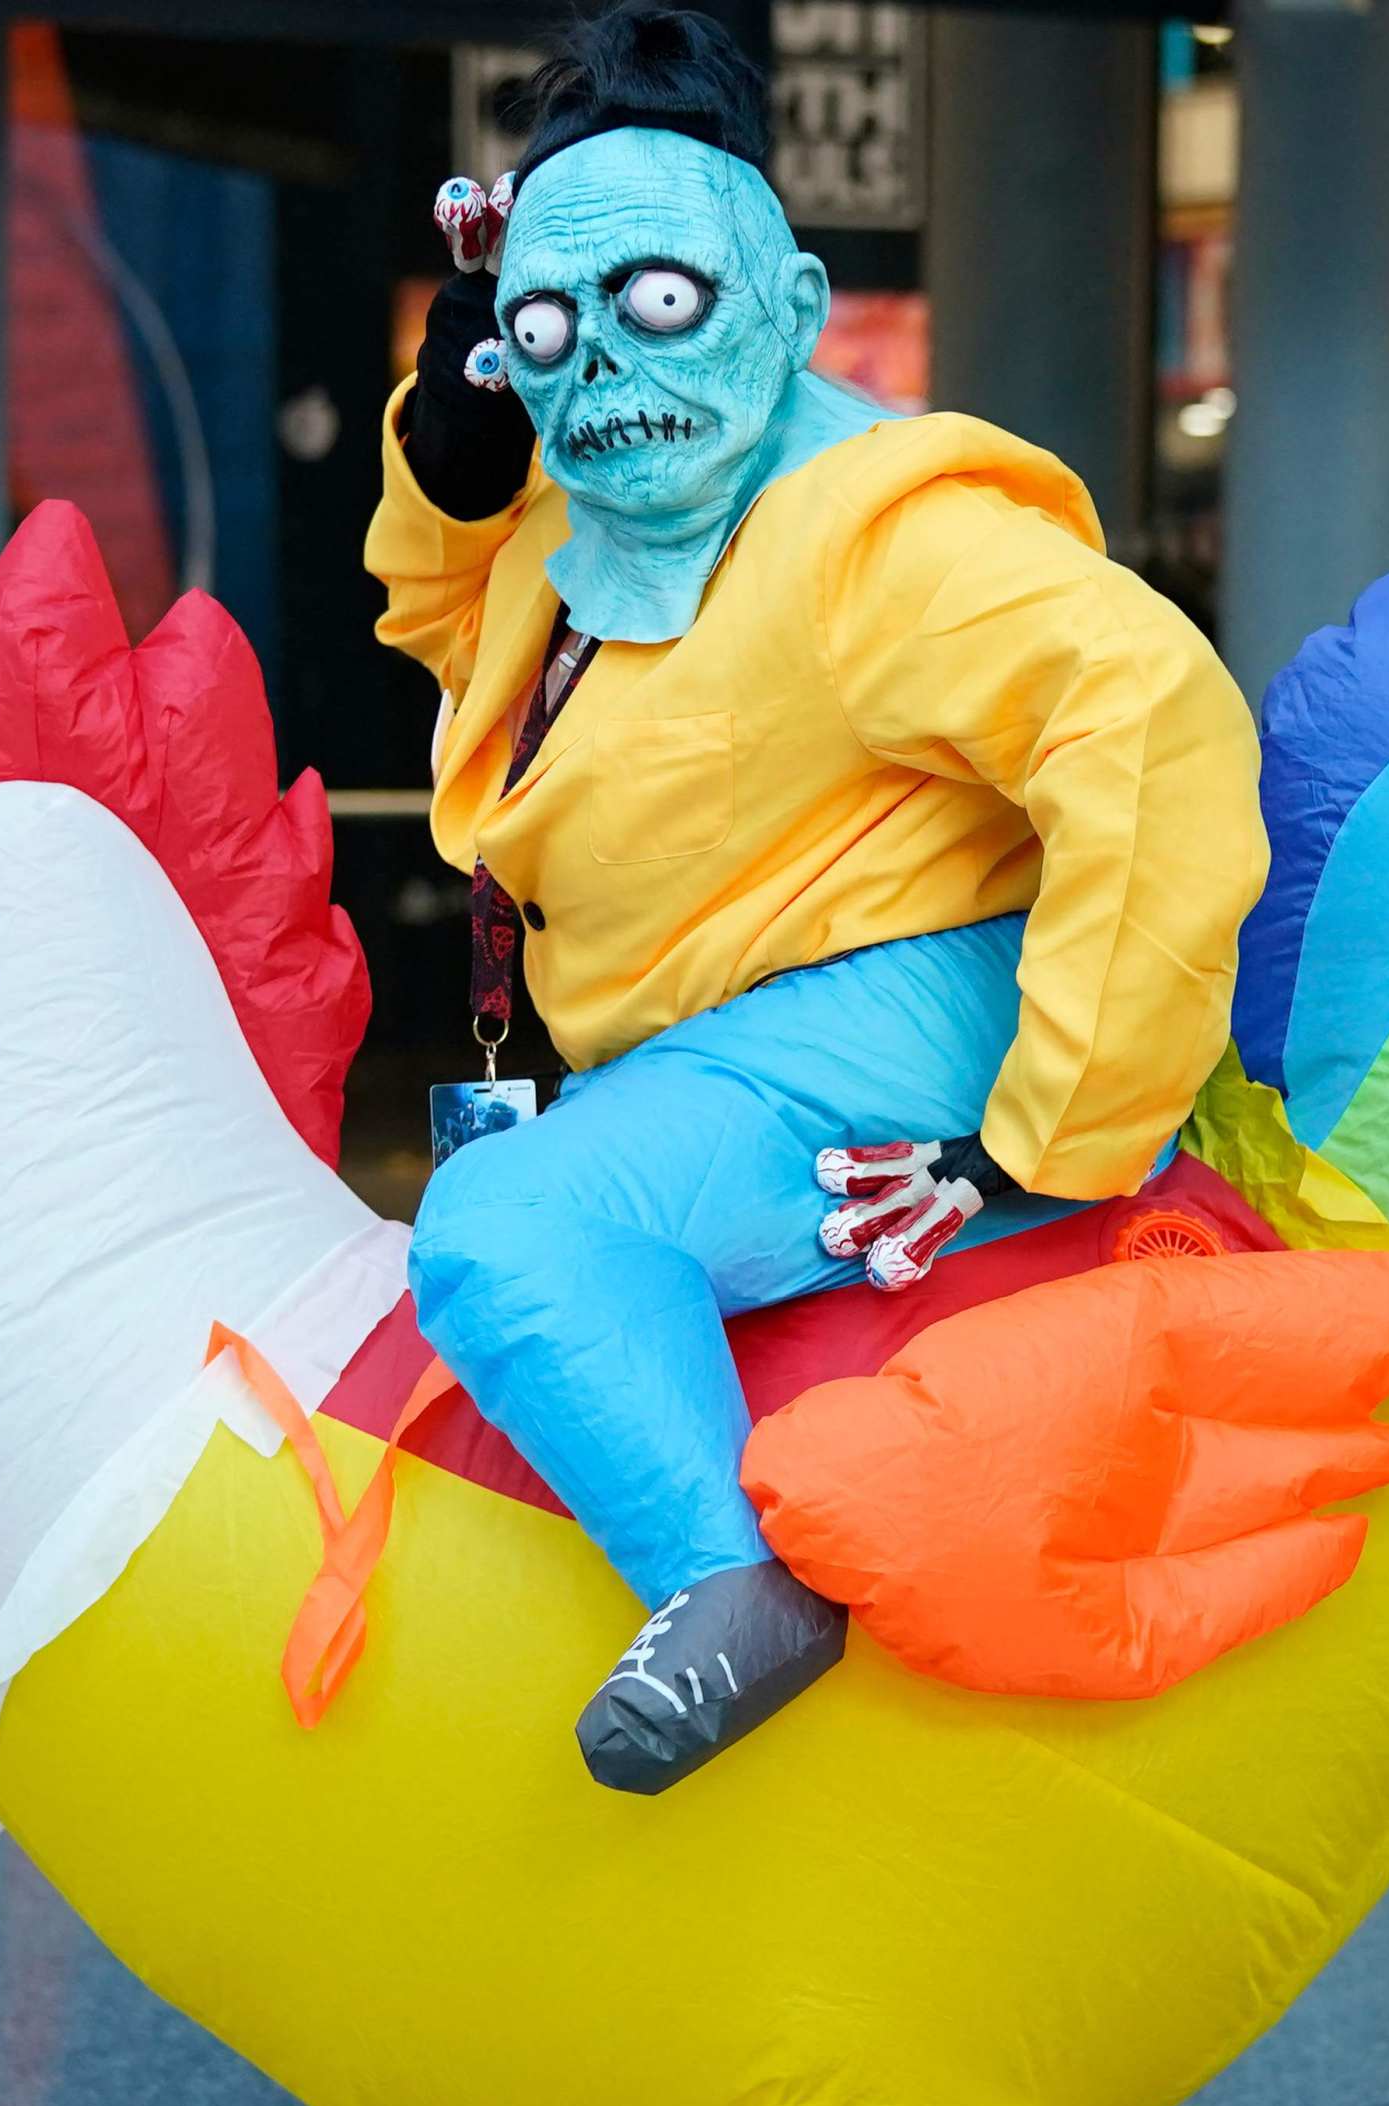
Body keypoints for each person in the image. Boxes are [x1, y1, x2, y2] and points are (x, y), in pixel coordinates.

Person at [370, 7, 1265, 1807]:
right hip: (720, 1040)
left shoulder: (873, 531)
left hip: (880, 1019)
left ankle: (728, 1583)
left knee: (501, 1236)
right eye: (546, 327)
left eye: (660, 302)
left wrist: (1054, 1130)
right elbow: (450, 619)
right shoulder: (591, 512)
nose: (600, 367)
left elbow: (1152, 719)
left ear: (784, 303)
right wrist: (459, 421)